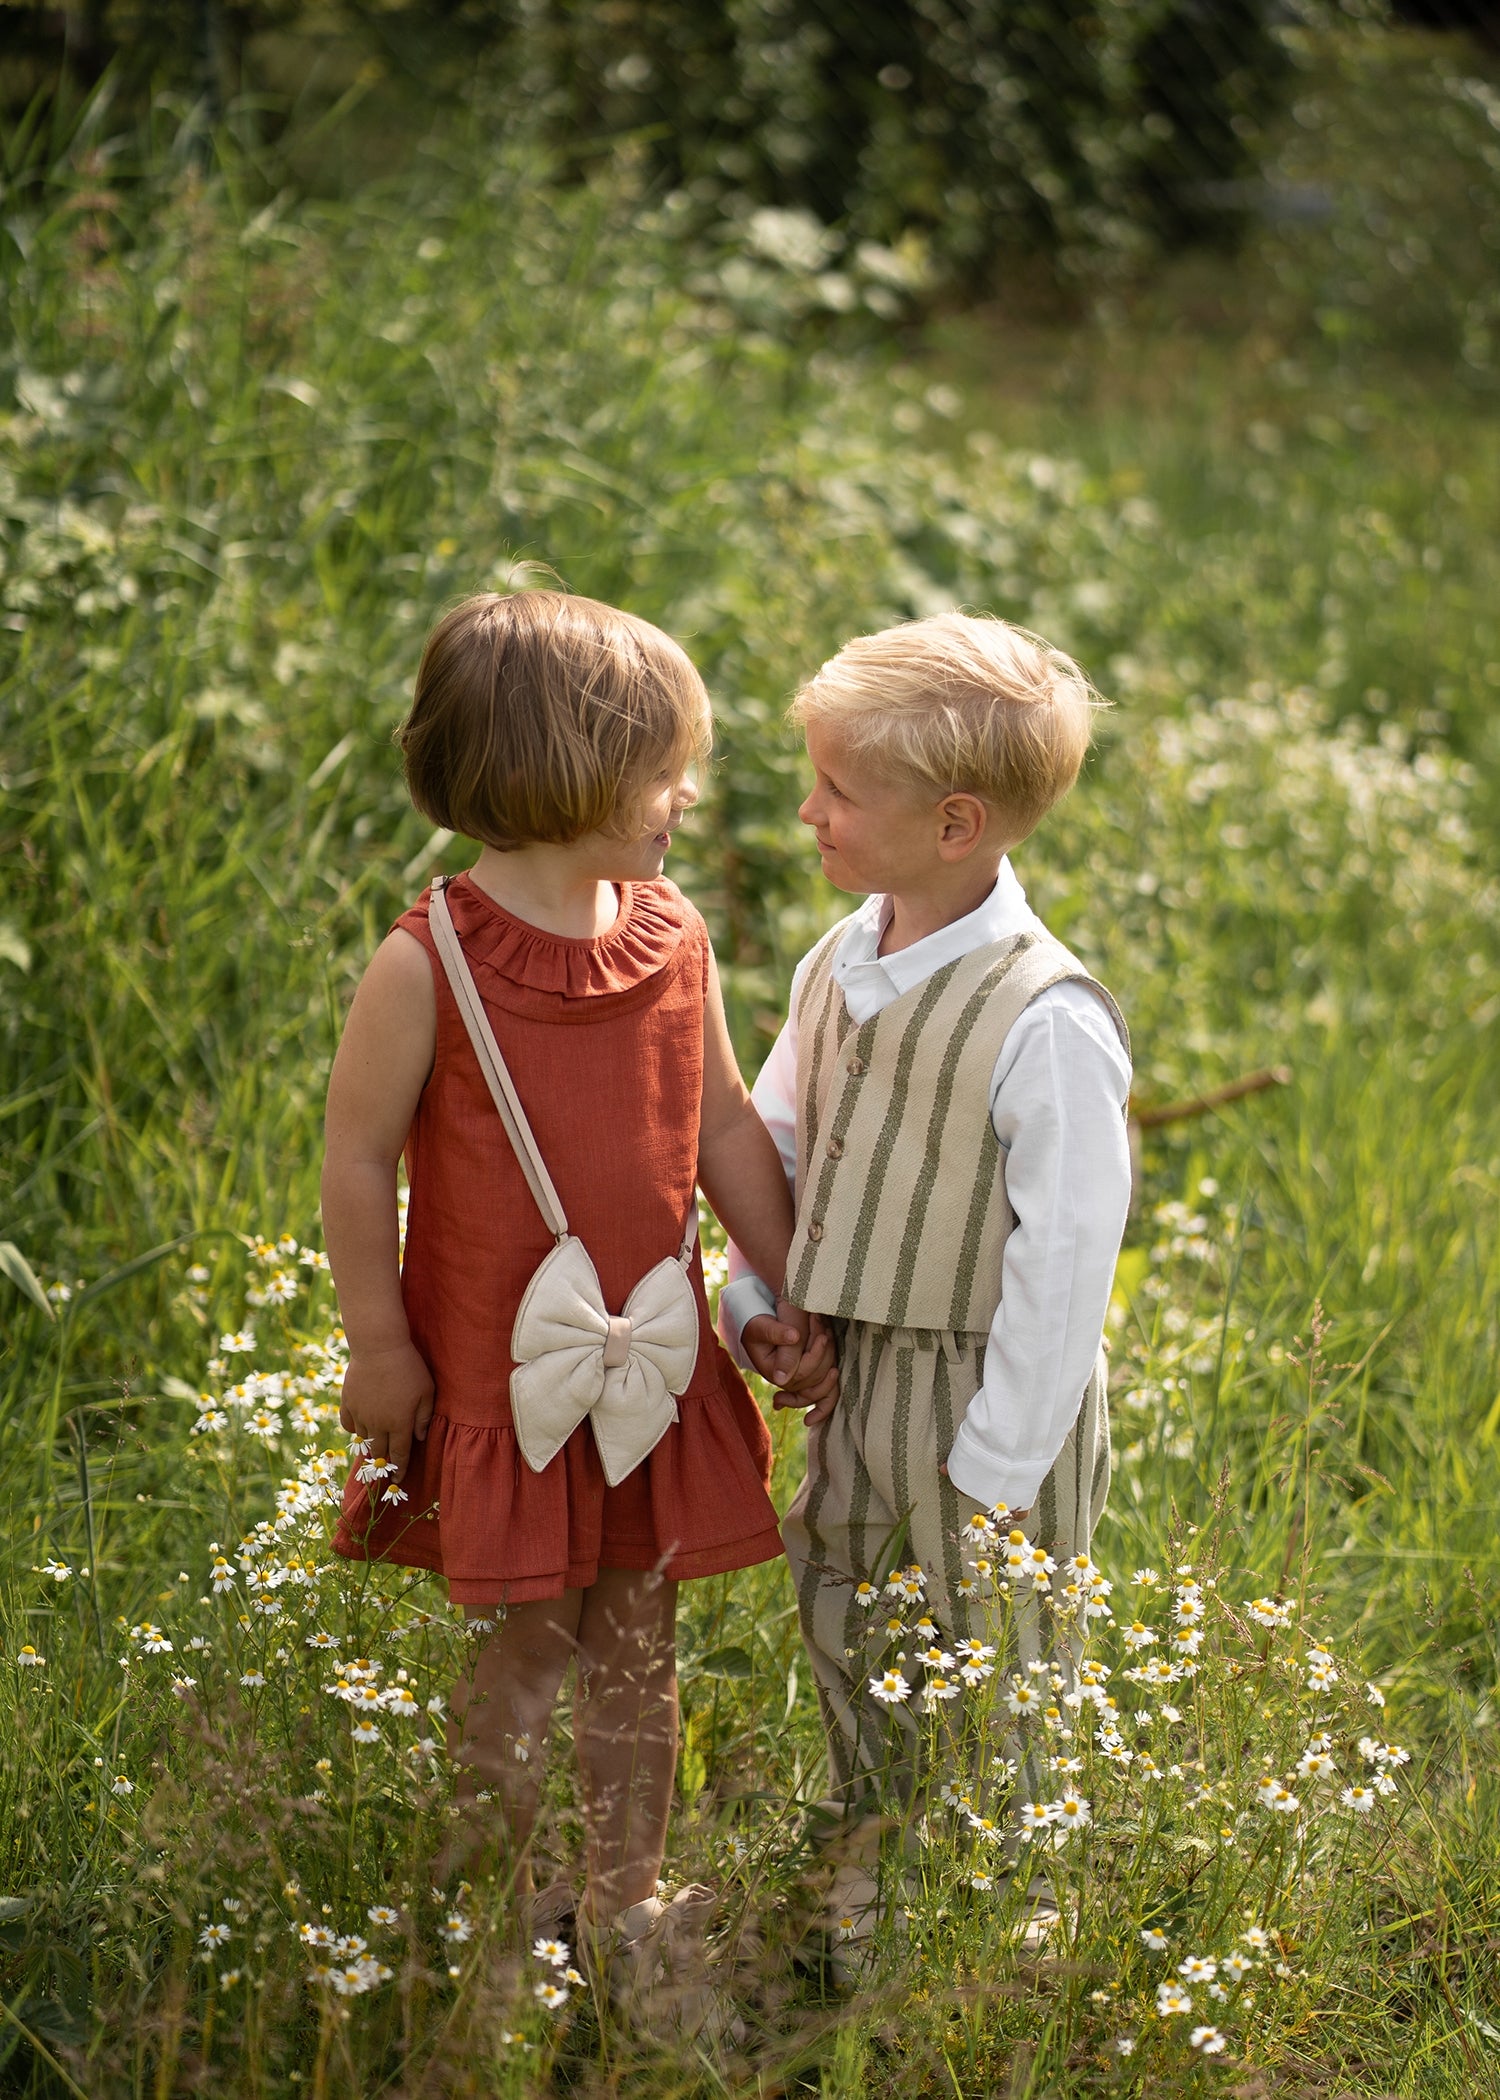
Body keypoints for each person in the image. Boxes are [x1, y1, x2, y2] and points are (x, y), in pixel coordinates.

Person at [323, 589, 833, 2009]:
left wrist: (792, 1284)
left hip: (649, 1373)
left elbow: (721, 1126)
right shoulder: (429, 962)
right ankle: (479, 1923)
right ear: (570, 772)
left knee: (639, 1640)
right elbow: (357, 1158)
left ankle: (620, 1908)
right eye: (665, 771)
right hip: (506, 1377)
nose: (688, 798)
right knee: (526, 1649)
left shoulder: (673, 937)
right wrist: (378, 1344)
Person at [721, 612, 1132, 1960]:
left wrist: (1002, 1464)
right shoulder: (839, 963)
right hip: (856, 1372)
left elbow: (1066, 1258)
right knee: (846, 1601)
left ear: (956, 825)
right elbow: (778, 1143)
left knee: (995, 1648)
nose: (809, 812)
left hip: (985, 1389)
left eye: (839, 790)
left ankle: (1008, 1922)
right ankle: (876, 1865)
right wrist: (758, 1304)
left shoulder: (1046, 1018)